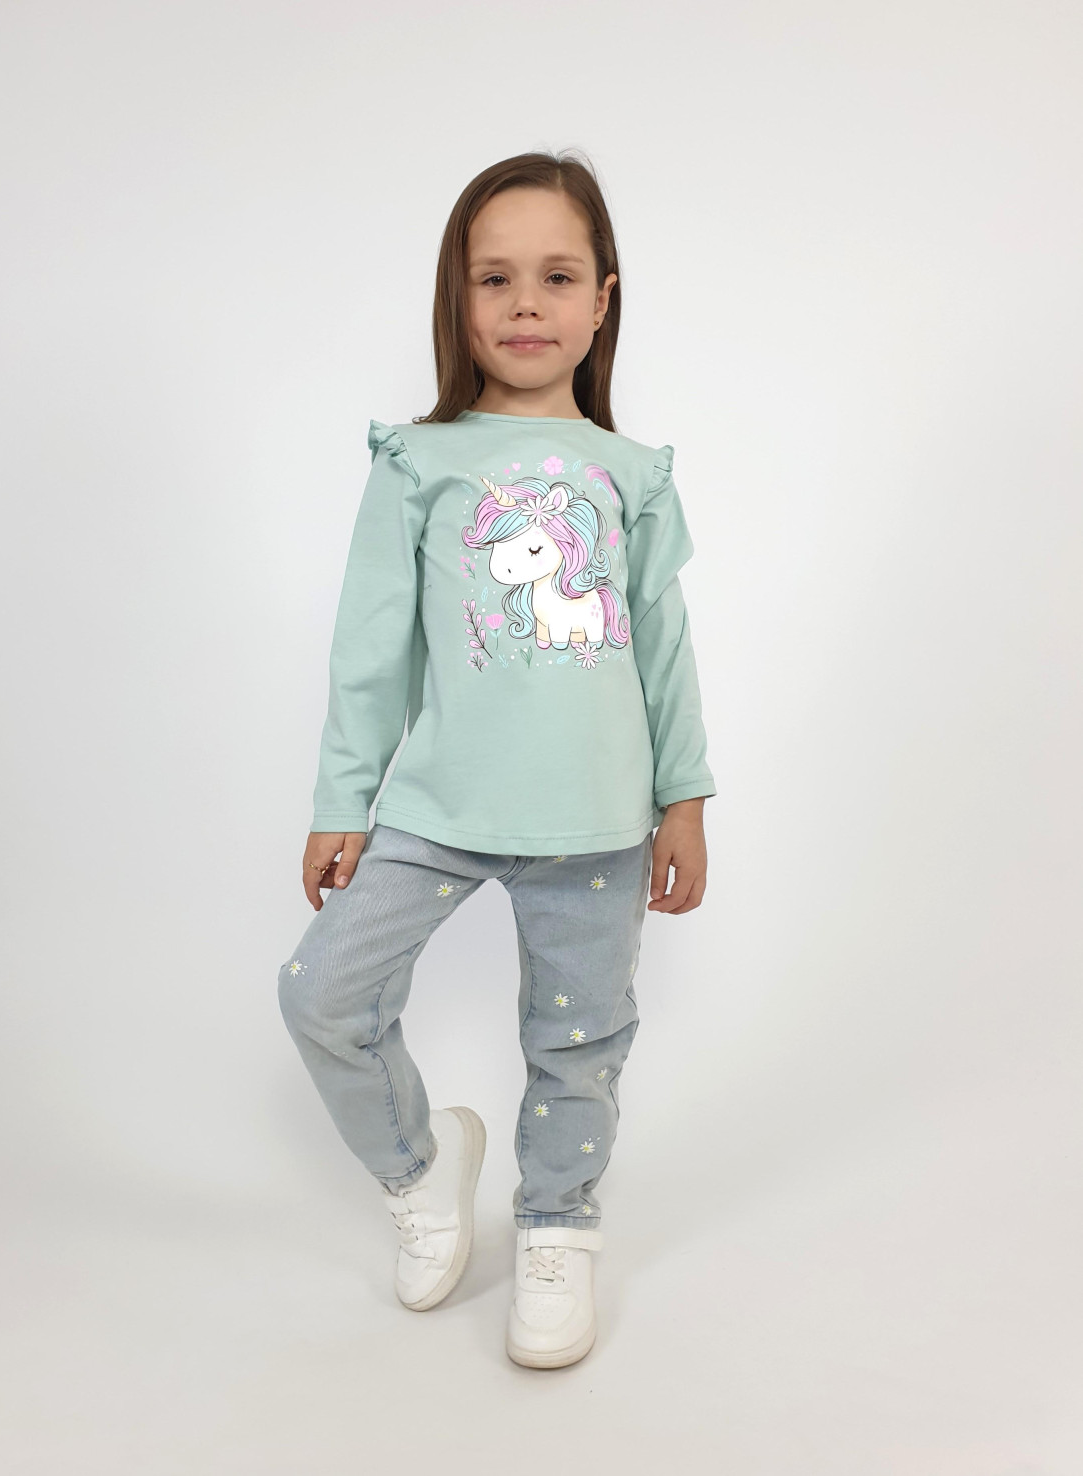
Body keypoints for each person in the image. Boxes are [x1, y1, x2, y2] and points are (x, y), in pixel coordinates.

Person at [276, 150, 716, 1370]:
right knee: (320, 995)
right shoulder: (417, 463)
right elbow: (373, 649)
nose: (526, 303)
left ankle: (556, 1226)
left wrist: (683, 798)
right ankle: (420, 1171)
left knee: (576, 1044)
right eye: (494, 278)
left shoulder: (632, 475)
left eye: (556, 277)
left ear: (601, 300)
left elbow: (662, 647)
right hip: (437, 810)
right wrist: (342, 799)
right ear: (458, 299)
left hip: (599, 819)